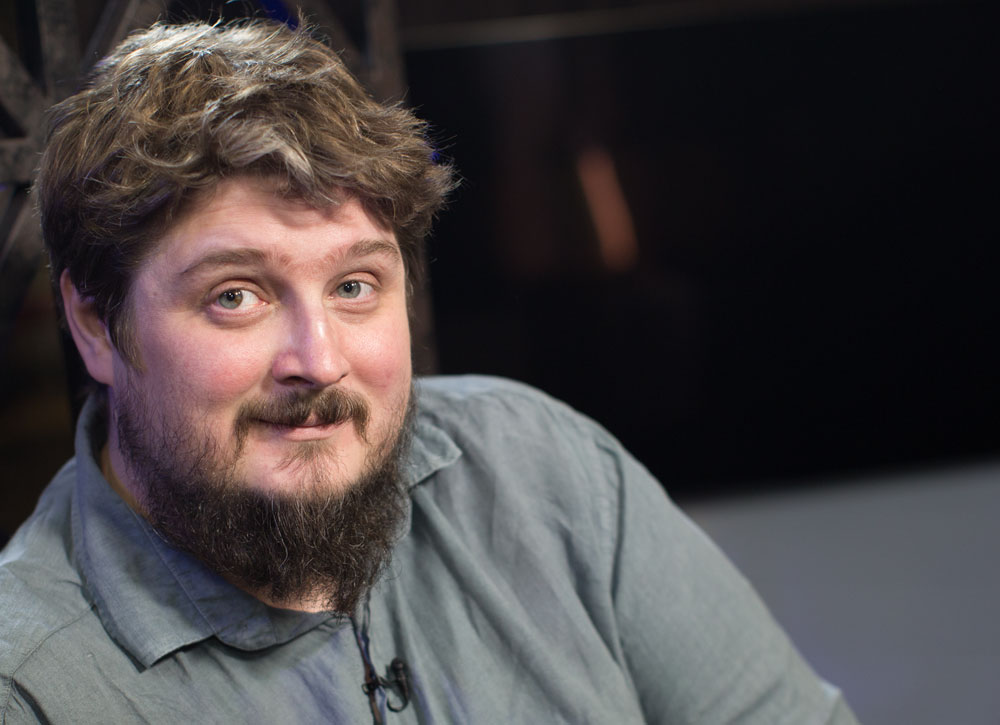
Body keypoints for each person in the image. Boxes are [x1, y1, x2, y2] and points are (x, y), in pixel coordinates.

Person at [0, 19, 858, 724]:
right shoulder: (30, 688)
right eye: (236, 296)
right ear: (94, 322)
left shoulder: (545, 468)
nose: (319, 360)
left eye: (354, 285)